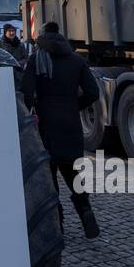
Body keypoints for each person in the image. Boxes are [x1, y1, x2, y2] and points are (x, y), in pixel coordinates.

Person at [22, 21, 101, 238]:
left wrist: (30, 116)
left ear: (43, 37)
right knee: (73, 173)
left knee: (50, 177)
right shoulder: (76, 60)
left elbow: (26, 93)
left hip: (46, 125)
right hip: (71, 124)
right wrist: (75, 106)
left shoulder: (37, 60)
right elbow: (93, 92)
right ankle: (86, 214)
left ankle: (58, 224)